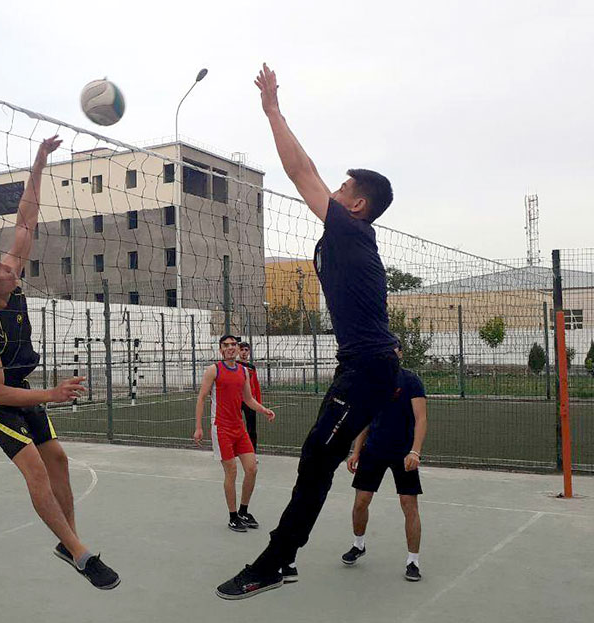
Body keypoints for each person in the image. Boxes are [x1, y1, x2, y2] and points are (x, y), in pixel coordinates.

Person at [216, 64, 399, 600]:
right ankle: (279, 558)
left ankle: (275, 561)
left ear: (357, 204)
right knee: (315, 457)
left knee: (318, 458)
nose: (333, 191)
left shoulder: (350, 228)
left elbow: (301, 172)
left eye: (342, 188)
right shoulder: (351, 238)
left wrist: (272, 109)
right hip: (364, 364)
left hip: (367, 367)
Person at [0, 135, 119, 590]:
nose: (10, 268)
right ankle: (82, 553)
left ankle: (66, 544)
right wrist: (51, 393)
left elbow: (26, 219)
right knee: (34, 468)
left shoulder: (9, 282)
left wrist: (40, 161)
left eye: (3, 263)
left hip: (24, 391)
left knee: (60, 462)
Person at [343, 343, 428, 581]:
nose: (389, 355)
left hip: (403, 452)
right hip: (374, 450)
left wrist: (415, 452)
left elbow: (421, 419)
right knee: (361, 501)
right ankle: (358, 545)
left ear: (400, 353)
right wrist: (356, 451)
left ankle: (413, 561)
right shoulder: (373, 381)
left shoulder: (411, 381)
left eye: (393, 350)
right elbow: (366, 419)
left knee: (408, 504)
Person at [194, 335, 275, 533]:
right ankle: (232, 517)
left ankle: (243, 511)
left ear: (238, 348)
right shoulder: (214, 370)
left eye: (233, 345)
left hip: (239, 429)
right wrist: (198, 427)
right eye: (226, 345)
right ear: (221, 349)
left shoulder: (243, 372)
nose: (230, 348)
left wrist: (263, 410)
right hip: (221, 428)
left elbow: (248, 399)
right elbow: (202, 397)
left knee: (252, 469)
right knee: (231, 471)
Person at [237, 341, 263, 452]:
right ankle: (235, 450)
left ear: (249, 352)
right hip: (237, 400)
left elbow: (256, 385)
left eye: (246, 350)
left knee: (252, 427)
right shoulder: (235, 366)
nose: (243, 352)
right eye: (241, 350)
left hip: (250, 400)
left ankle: (253, 451)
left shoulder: (252, 367)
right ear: (238, 351)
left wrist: (259, 403)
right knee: (236, 426)